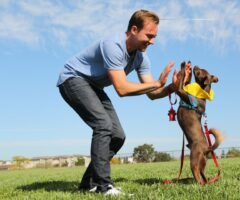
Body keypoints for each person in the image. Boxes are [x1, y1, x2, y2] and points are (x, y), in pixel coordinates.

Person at [57, 9, 179, 196]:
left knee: (118, 135)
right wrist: (157, 83)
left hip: (93, 86)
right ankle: (104, 186)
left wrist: (172, 87)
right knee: (103, 125)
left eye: (155, 37)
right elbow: (121, 89)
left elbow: (152, 93)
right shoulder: (113, 45)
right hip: (73, 79)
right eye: (149, 35)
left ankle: (88, 184)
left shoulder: (140, 58)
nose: (152, 41)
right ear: (134, 29)